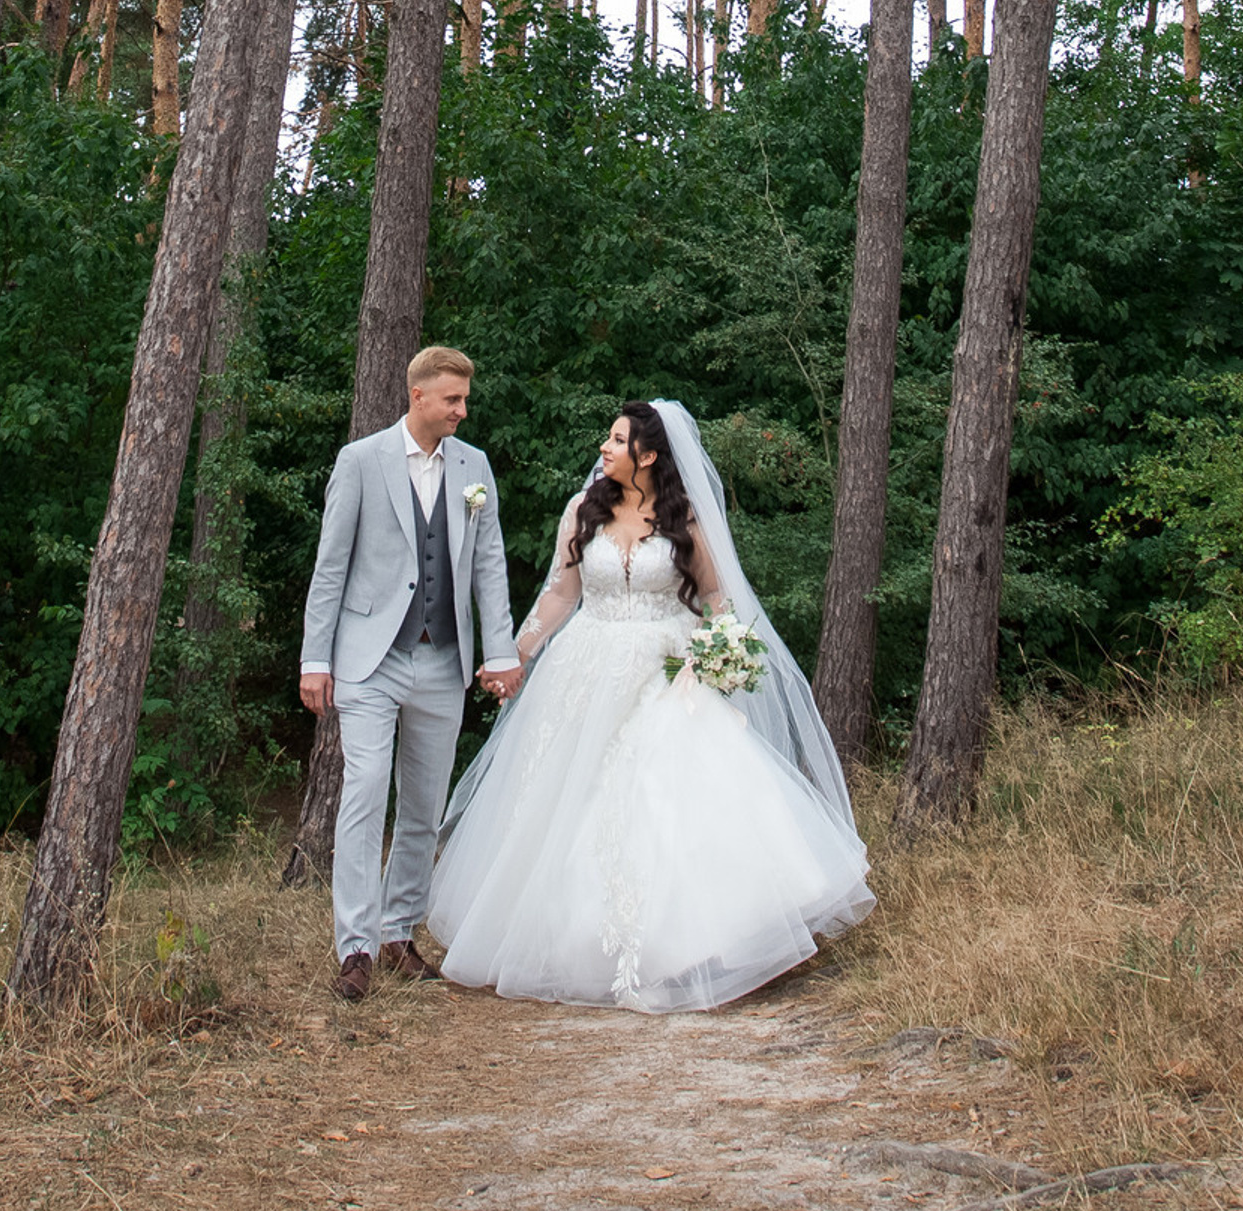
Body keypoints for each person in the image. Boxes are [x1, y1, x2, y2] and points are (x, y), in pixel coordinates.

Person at [426, 397, 872, 1012]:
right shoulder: (584, 510)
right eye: (606, 438)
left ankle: (704, 943)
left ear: (649, 454)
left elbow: (715, 596)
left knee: (669, 791)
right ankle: (572, 944)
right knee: (566, 797)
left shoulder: (683, 517)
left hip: (669, 671)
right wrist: (519, 652)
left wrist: (723, 649)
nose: (604, 449)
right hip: (587, 666)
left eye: (616, 439)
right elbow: (562, 592)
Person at [300, 345, 519, 1003]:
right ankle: (356, 947)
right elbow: (331, 566)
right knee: (365, 791)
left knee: (424, 806)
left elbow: (488, 566)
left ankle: (399, 934)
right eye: (452, 399)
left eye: (465, 400)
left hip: (441, 659)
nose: (462, 410)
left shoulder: (473, 466)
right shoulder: (361, 462)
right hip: (369, 658)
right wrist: (316, 658)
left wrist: (501, 650)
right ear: (418, 395)